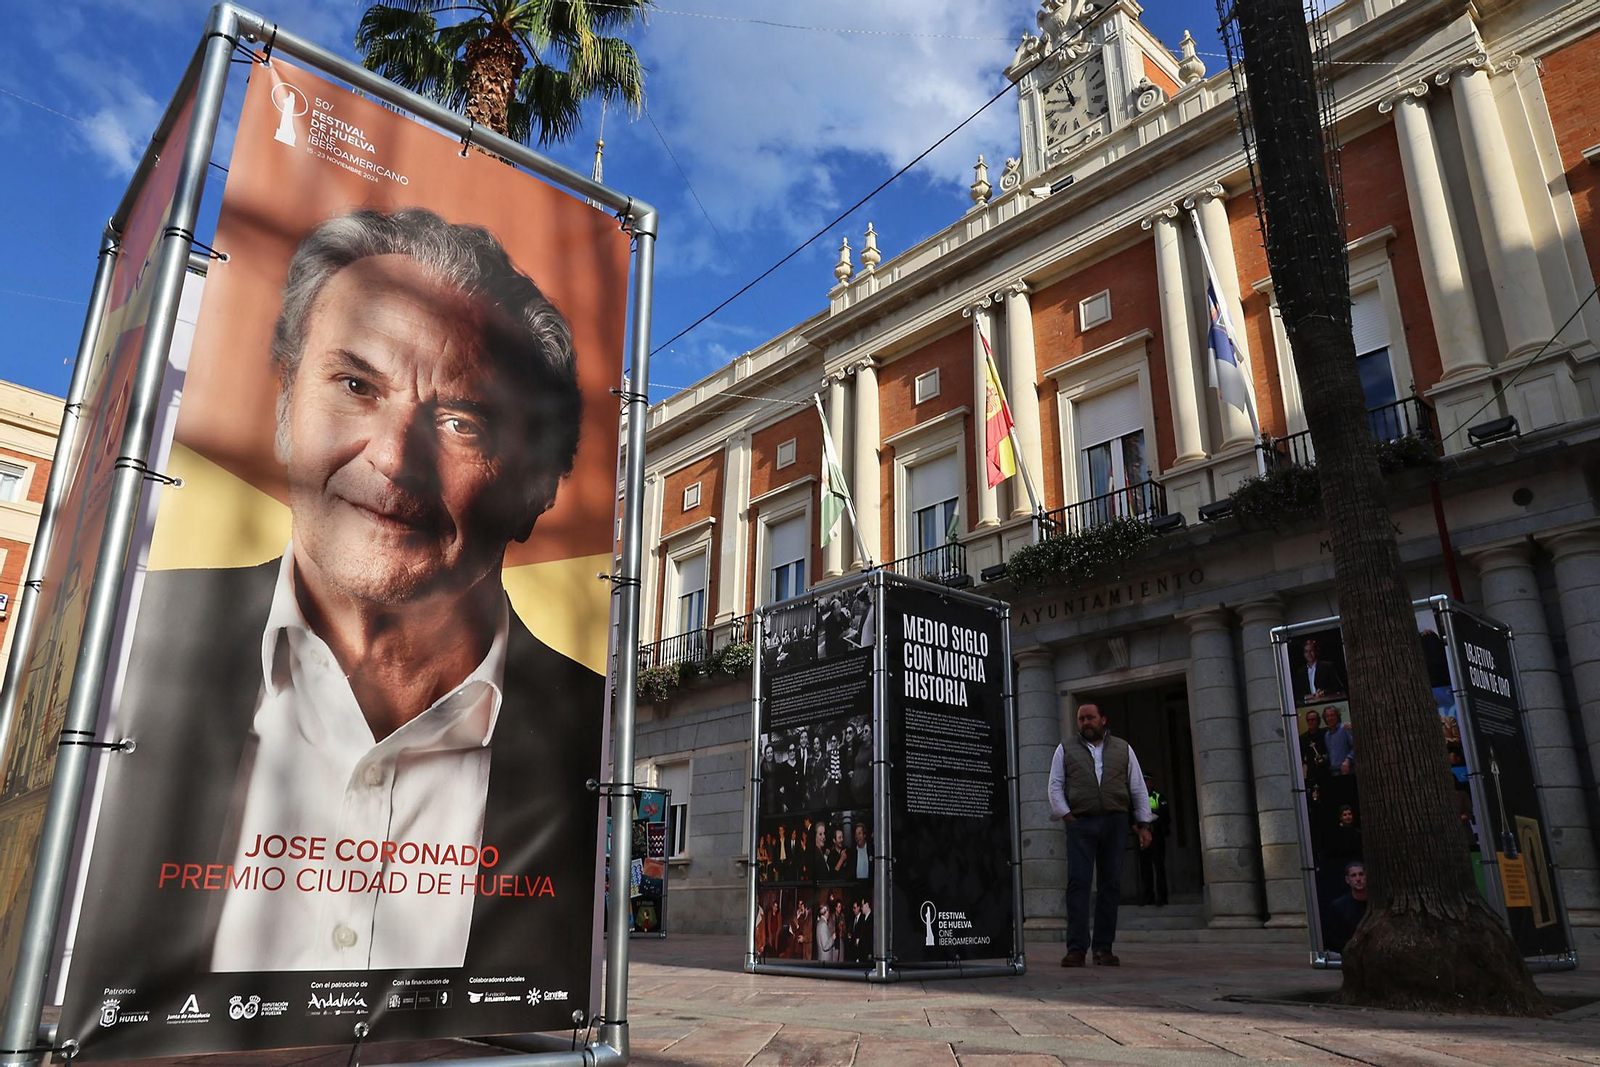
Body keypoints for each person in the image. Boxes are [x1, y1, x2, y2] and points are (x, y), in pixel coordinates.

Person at [67, 208, 599, 986]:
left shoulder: (587, 736)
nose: (391, 458)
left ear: (536, 485)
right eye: (355, 385)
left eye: (460, 421)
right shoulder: (135, 643)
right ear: (285, 406)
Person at [1048, 702, 1154, 967]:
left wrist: (1144, 824)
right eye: (1081, 718)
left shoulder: (1123, 749)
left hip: (1115, 822)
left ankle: (1103, 949)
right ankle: (1076, 949)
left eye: (1090, 717)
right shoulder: (1065, 749)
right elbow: (1055, 785)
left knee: (1110, 885)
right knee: (1078, 884)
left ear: (1103, 719)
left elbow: (1138, 788)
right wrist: (1067, 815)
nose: (1086, 722)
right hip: (1080, 823)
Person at [1137, 775, 1169, 906]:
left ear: (1150, 782)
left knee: (1159, 866)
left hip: (1157, 836)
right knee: (1145, 868)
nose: (1144, 784)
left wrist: (1154, 827)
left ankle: (1162, 898)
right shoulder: (1137, 798)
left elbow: (1165, 816)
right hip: (1142, 836)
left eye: (1146, 781)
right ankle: (1148, 897)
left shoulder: (1158, 796)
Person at [1323, 860, 1368, 953]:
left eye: (1361, 874)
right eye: (1353, 875)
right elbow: (1331, 938)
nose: (1358, 879)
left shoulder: (1377, 903)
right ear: (1348, 880)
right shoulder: (1338, 906)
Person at [1296, 638, 1346, 704]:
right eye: (1306, 651)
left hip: (1327, 703)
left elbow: (1337, 687)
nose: (1309, 654)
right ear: (1304, 654)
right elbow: (1298, 693)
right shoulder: (1300, 672)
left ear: (1316, 651)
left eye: (1311, 651)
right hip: (1308, 706)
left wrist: (1324, 692)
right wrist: (1306, 697)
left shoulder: (1327, 666)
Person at [1323, 706, 1355, 776]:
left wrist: (1348, 759)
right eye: (1327, 716)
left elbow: (1355, 747)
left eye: (1332, 715)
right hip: (1334, 772)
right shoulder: (1327, 735)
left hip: (1348, 770)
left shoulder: (1345, 728)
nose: (1330, 718)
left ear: (1337, 716)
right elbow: (1330, 753)